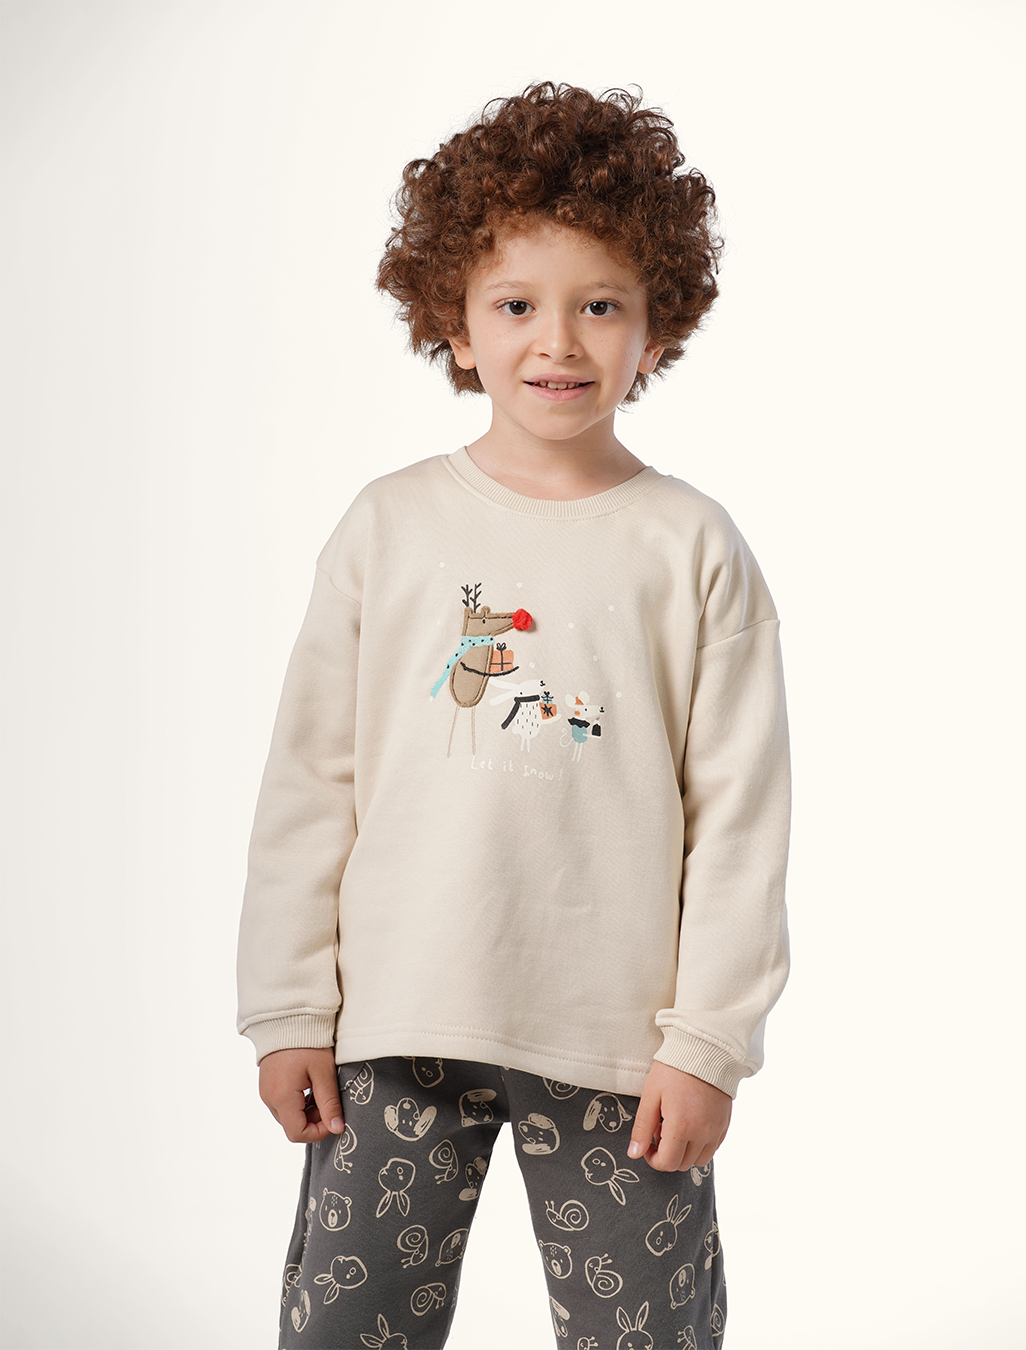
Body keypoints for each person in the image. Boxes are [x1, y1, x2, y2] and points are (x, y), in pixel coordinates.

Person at [237, 82, 791, 1349]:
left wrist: (709, 1043)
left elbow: (742, 821)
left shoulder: (691, 546)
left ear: (657, 325)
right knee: (349, 1323)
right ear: (455, 320)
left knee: (646, 1331)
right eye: (517, 304)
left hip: (620, 1045)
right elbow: (310, 782)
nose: (561, 341)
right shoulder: (388, 526)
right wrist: (287, 1009)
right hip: (396, 1016)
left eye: (601, 304)